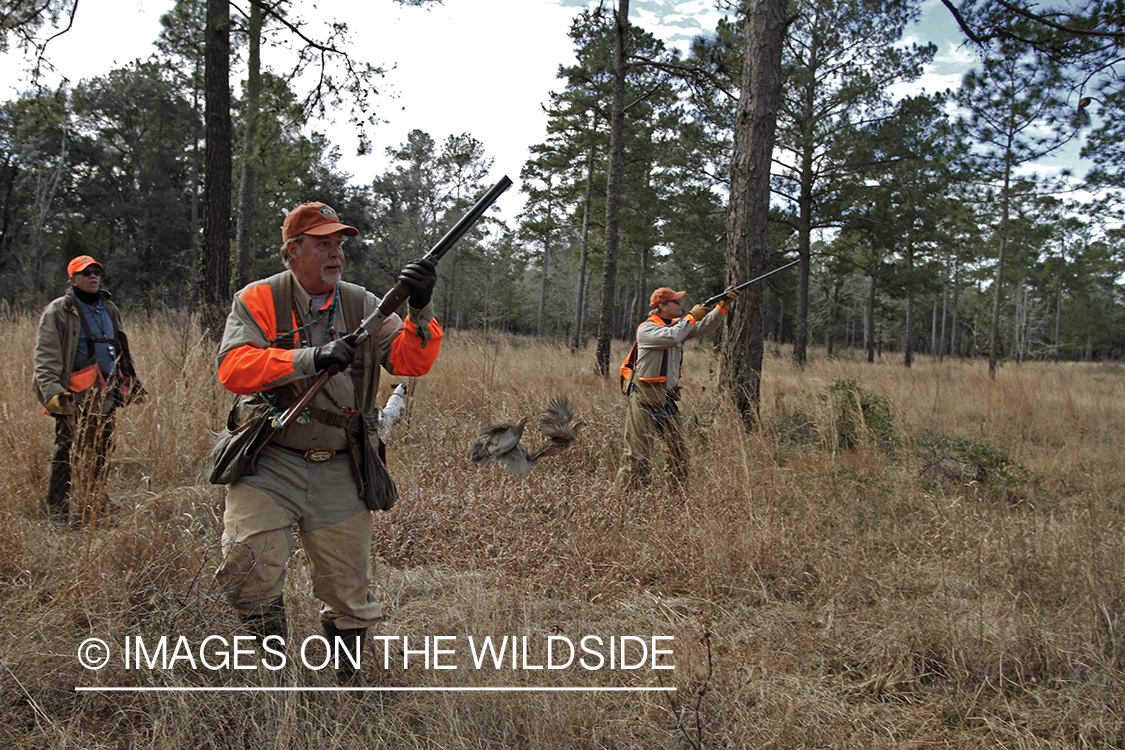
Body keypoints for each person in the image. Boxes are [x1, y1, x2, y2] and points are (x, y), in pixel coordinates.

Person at [213, 201, 442, 688]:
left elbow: (409, 363)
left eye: (339, 243)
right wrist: (308, 358)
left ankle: (350, 683)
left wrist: (420, 306)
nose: (336, 253)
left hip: (342, 463)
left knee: (349, 591)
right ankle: (278, 675)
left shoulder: (363, 303)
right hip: (270, 457)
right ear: (293, 251)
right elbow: (233, 369)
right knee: (247, 568)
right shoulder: (258, 300)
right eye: (323, 244)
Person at [33, 255, 145, 525]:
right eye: (85, 273)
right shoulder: (60, 310)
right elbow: (46, 356)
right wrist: (52, 392)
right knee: (66, 451)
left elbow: (120, 349)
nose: (93, 277)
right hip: (73, 394)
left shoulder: (109, 308)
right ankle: (59, 508)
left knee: (103, 448)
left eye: (96, 272)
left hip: (106, 392)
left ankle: (96, 500)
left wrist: (128, 381)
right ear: (72, 279)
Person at [615, 287, 734, 492]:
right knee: (637, 456)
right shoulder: (647, 329)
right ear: (662, 306)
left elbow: (706, 326)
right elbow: (673, 337)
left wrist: (721, 306)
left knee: (677, 453)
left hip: (666, 399)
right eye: (676, 302)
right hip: (643, 398)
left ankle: (676, 499)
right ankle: (625, 503)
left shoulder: (677, 326)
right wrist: (691, 316)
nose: (680, 304)